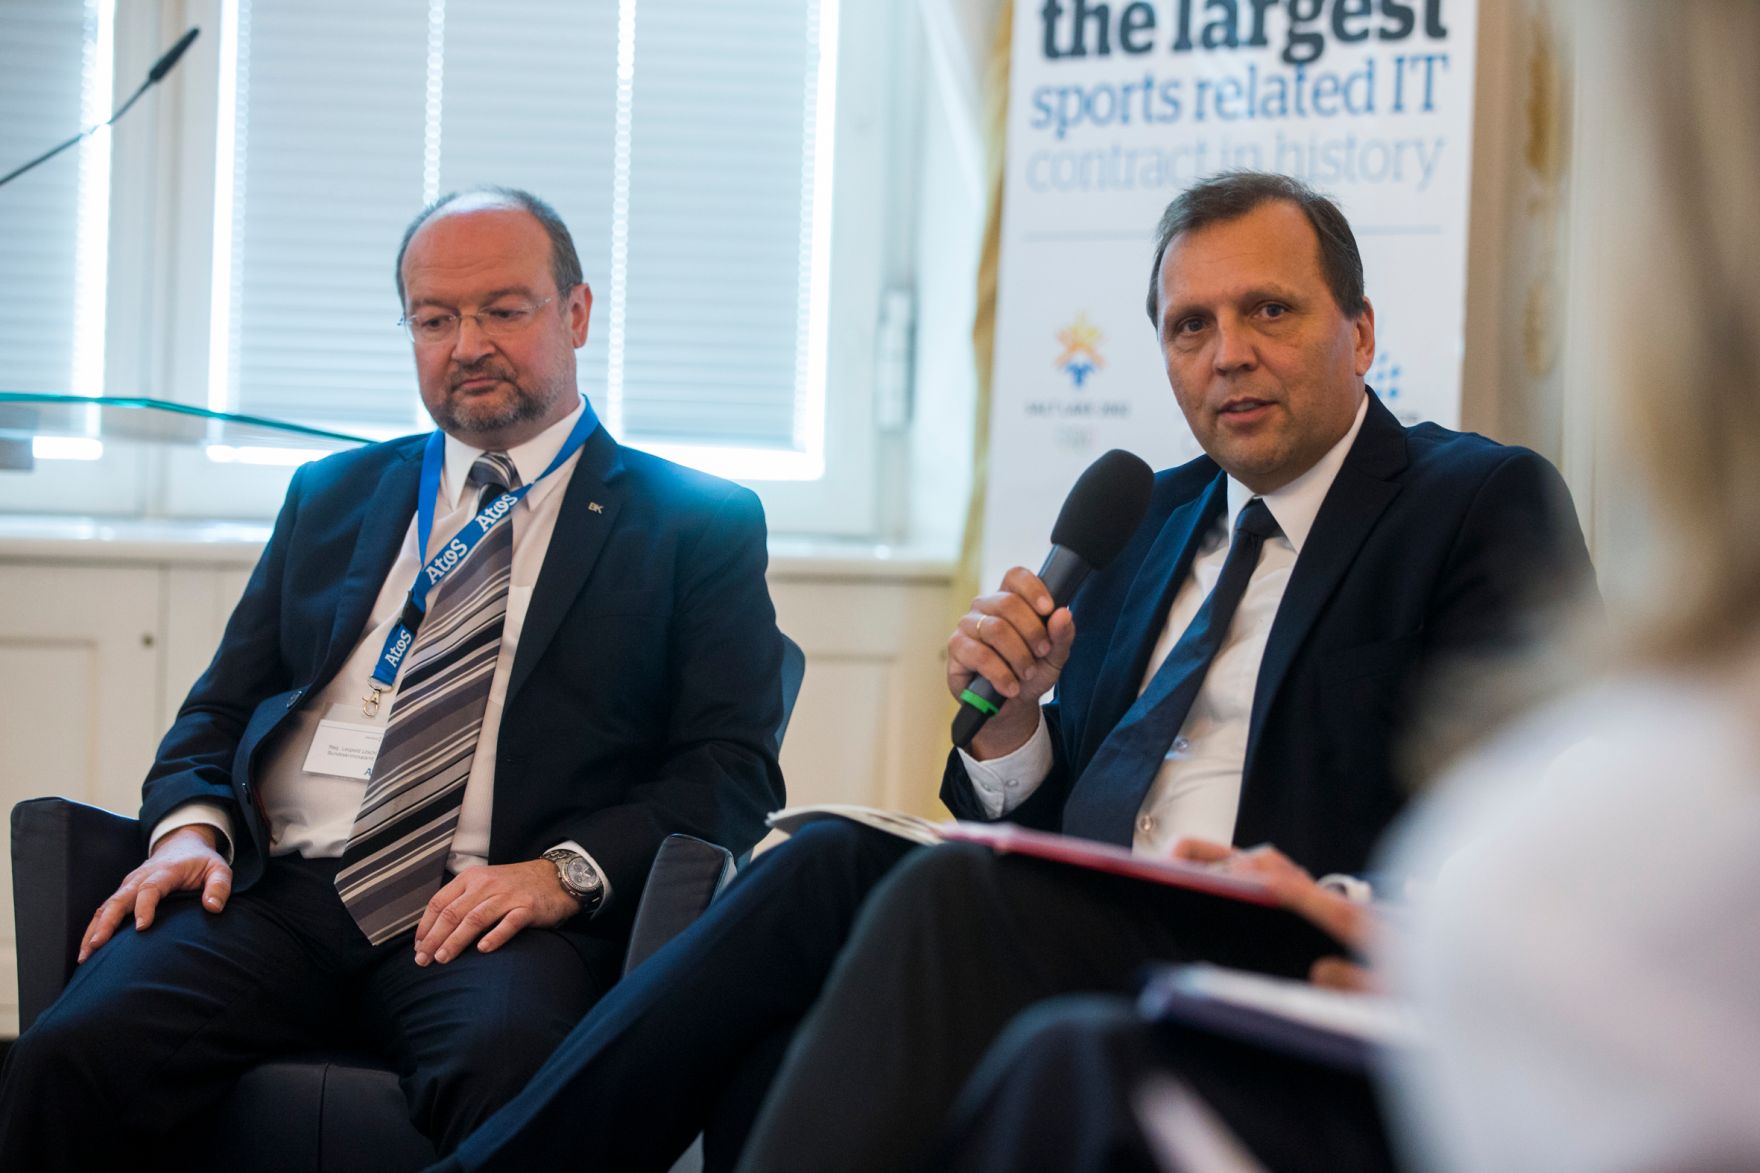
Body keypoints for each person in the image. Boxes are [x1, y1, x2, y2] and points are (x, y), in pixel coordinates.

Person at [437, 171, 1593, 1173]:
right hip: (1092, 907)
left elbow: (1540, 802)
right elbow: (1054, 804)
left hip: (1283, 937)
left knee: (935, 896)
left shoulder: (1469, 502)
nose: (1225, 352)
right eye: (1188, 326)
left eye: (1268, 311)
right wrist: (1011, 728)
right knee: (820, 858)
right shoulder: (1152, 514)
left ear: (1359, 332)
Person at [0, 187, 786, 1166]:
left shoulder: (691, 523)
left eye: (504, 309)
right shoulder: (333, 495)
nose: (468, 344)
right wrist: (190, 832)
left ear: (575, 313)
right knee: (70, 1055)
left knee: (515, 1087)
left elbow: (729, 768)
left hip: (488, 906)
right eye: (435, 317)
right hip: (273, 894)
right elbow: (219, 714)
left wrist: (560, 876)